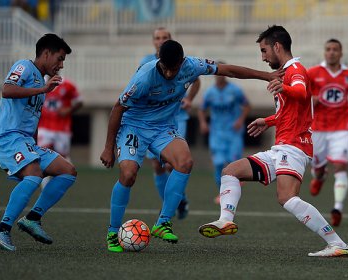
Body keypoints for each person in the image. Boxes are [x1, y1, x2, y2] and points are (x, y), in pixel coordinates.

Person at [100, 39, 282, 252]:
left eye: (174, 68)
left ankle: (163, 222)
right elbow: (118, 107)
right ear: (160, 62)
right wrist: (107, 147)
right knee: (129, 175)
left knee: (185, 162)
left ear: (182, 62)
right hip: (134, 127)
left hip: (163, 127)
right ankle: (113, 232)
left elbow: (229, 70)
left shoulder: (192, 65)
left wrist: (266, 75)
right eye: (165, 68)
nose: (169, 74)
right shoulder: (144, 77)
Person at [198, 25, 348, 257]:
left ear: (277, 46)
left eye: (264, 50)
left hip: (295, 146)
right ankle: (225, 221)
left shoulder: (295, 69)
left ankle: (337, 243)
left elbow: (300, 92)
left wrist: (285, 87)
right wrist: (267, 121)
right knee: (231, 171)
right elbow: (290, 111)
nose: (263, 57)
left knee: (287, 198)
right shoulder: (286, 73)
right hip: (280, 147)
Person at [0, 33, 76, 251]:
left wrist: (34, 146)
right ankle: (3, 229)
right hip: (8, 137)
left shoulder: (41, 83)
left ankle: (33, 218)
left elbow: (31, 120)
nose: (61, 65)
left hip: (25, 142)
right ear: (46, 53)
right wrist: (43, 90)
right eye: (59, 58)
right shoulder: (24, 66)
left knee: (67, 170)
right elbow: (7, 90)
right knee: (33, 173)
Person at [140, 27, 201, 219]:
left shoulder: (180, 61)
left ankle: (171, 204)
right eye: (157, 38)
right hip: (153, 121)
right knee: (157, 166)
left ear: (170, 40)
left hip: (176, 118)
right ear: (153, 41)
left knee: (172, 163)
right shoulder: (146, 63)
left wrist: (189, 98)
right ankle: (176, 202)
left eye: (164, 37)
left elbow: (196, 80)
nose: (160, 41)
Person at [307, 39, 348, 227]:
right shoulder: (313, 73)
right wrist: (312, 101)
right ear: (324, 52)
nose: (331, 52)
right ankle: (319, 176)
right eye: (328, 49)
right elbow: (303, 96)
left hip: (342, 128)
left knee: (340, 166)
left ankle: (337, 207)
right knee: (318, 169)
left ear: (341, 53)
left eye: (335, 50)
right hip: (319, 129)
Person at [198, 69, 250, 204]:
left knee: (233, 163)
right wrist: (203, 123)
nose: (219, 77)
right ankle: (222, 193)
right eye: (217, 74)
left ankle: (237, 184)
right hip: (217, 133)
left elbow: (247, 106)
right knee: (219, 163)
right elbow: (201, 109)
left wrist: (240, 120)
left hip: (233, 132)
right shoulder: (210, 92)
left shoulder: (235, 90)